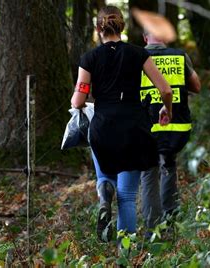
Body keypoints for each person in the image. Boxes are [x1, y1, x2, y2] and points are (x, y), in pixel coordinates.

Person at [70, 6, 173, 243]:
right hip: (133, 131)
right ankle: (125, 254)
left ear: (98, 29)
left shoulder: (89, 58)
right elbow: (165, 89)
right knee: (127, 196)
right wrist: (167, 108)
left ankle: (104, 191)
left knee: (105, 176)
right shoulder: (138, 54)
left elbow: (78, 101)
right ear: (122, 27)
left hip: (103, 129)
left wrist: (81, 98)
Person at [140, 31, 201, 237]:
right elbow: (197, 86)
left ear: (144, 37)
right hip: (176, 126)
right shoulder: (179, 56)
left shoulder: (136, 56)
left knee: (149, 173)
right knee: (168, 165)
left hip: (147, 127)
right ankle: (170, 219)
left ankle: (152, 230)